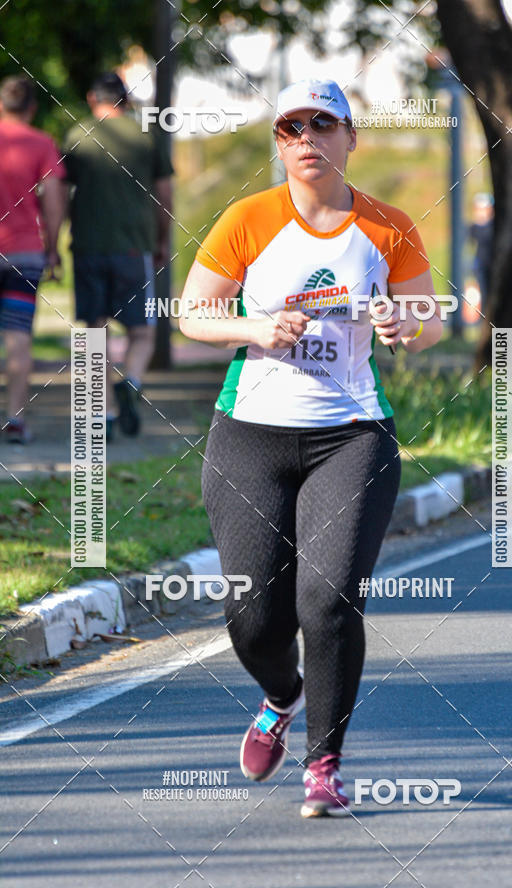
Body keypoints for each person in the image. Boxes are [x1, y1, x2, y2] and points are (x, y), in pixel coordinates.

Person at [179, 79, 442, 818]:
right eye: (291, 128)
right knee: (253, 617)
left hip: (352, 436)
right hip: (250, 435)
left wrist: (407, 325)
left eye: (322, 124)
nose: (306, 139)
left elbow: (428, 319)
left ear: (350, 137)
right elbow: (194, 315)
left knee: (327, 601)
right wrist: (254, 329)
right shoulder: (248, 218)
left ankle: (324, 763)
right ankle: (281, 695)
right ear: (279, 142)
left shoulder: (387, 226)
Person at [63, 72, 173, 441]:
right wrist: (162, 239)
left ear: (92, 98)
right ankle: (133, 380)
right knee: (142, 331)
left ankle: (103, 415)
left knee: (96, 333)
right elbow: (164, 194)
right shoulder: (145, 137)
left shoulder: (76, 136)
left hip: (88, 247)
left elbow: (60, 192)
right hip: (134, 247)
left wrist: (57, 236)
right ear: (125, 100)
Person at [0, 75, 65, 444]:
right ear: (32, 108)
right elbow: (53, 200)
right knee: (18, 336)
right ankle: (15, 419)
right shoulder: (42, 143)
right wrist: (53, 249)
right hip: (24, 255)